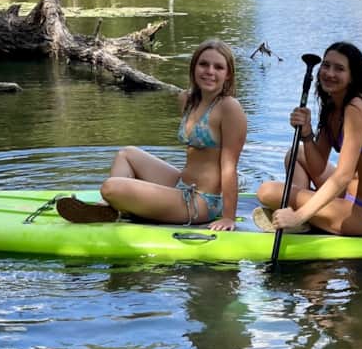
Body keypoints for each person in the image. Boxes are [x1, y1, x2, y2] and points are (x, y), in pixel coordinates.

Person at [57, 39, 247, 230]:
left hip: (202, 203)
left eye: (218, 67)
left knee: (110, 187)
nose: (210, 72)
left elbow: (229, 167)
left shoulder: (229, 108)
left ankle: (114, 202)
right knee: (126, 154)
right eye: (203, 64)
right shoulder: (186, 100)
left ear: (228, 74)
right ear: (194, 67)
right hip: (182, 185)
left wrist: (228, 217)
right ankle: (110, 208)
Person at [254, 42, 362, 236]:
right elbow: (318, 166)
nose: (330, 73)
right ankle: (301, 221)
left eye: (339, 69)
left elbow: (343, 176)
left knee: (267, 191)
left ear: (353, 76)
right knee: (296, 154)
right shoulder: (333, 105)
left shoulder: (356, 108)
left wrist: (300, 214)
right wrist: (307, 133)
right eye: (326, 65)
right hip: (346, 198)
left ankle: (298, 218)